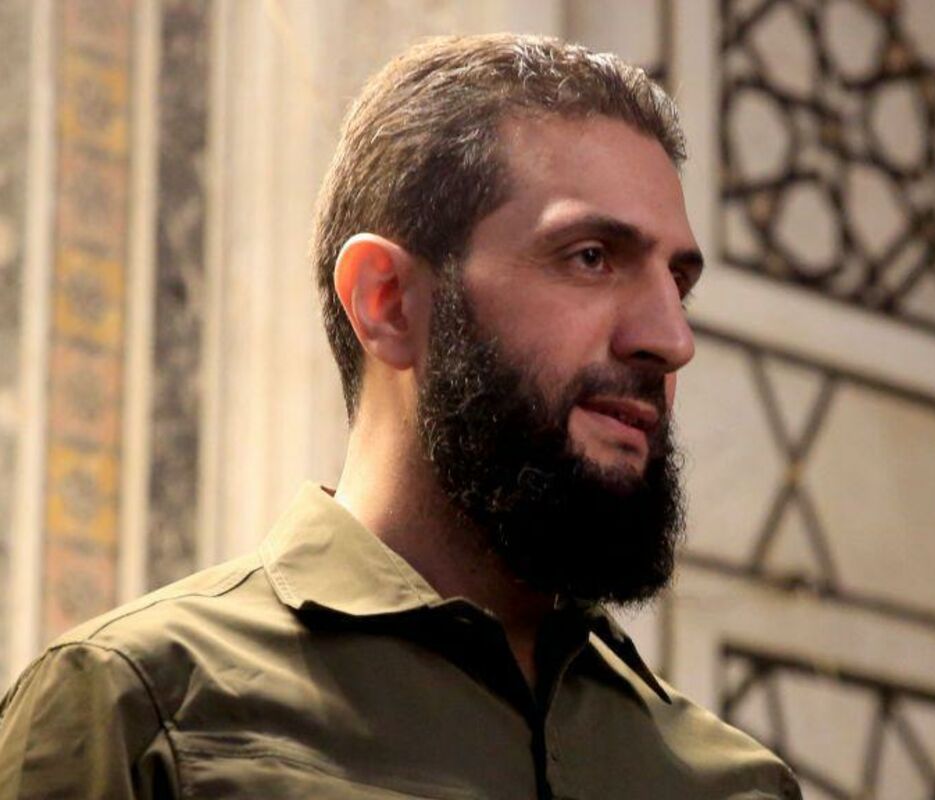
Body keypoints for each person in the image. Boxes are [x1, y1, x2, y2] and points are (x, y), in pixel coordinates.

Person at [0, 34, 802, 799]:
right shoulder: (141, 710)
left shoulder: (735, 783)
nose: (671, 340)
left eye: (678, 284)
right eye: (590, 258)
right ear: (386, 302)